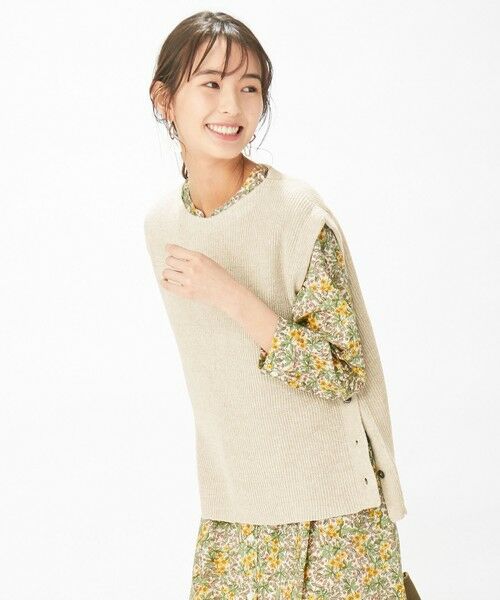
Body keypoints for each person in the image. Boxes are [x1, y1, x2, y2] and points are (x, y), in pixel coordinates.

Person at [144, 11, 408, 599]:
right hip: (235, 507)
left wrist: (230, 294)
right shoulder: (162, 226)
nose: (232, 105)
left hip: (333, 512)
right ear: (164, 99)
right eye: (211, 83)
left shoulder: (295, 213)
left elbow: (342, 372)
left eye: (250, 87)